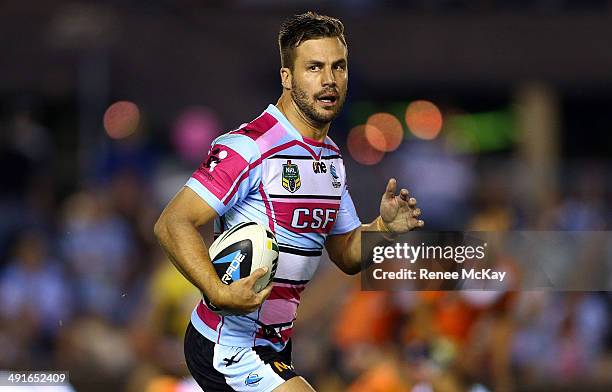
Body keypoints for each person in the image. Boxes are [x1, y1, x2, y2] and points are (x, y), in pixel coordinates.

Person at [154, 11, 424, 392]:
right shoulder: (249, 146)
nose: (329, 80)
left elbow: (346, 255)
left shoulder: (330, 158)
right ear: (287, 77)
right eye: (314, 67)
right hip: (226, 343)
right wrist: (218, 292)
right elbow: (172, 223)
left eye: (338, 67)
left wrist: (382, 229)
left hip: (276, 345)